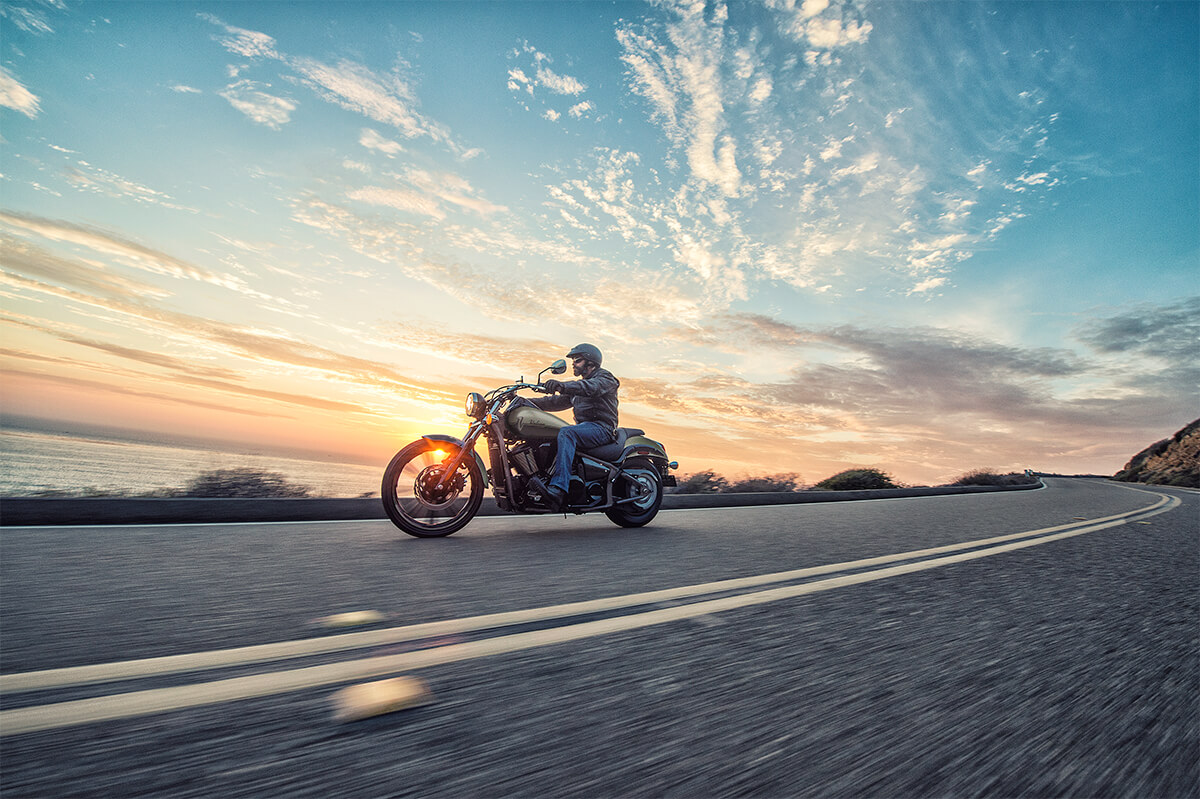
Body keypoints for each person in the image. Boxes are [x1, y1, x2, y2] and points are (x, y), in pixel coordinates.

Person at [529, 343, 619, 511]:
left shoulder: (605, 378)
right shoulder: (579, 387)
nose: (573, 364)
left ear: (590, 362)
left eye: (577, 360)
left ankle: (559, 489)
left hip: (602, 428)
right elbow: (554, 402)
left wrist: (560, 385)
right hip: (585, 428)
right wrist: (526, 403)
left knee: (567, 432)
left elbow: (591, 388)